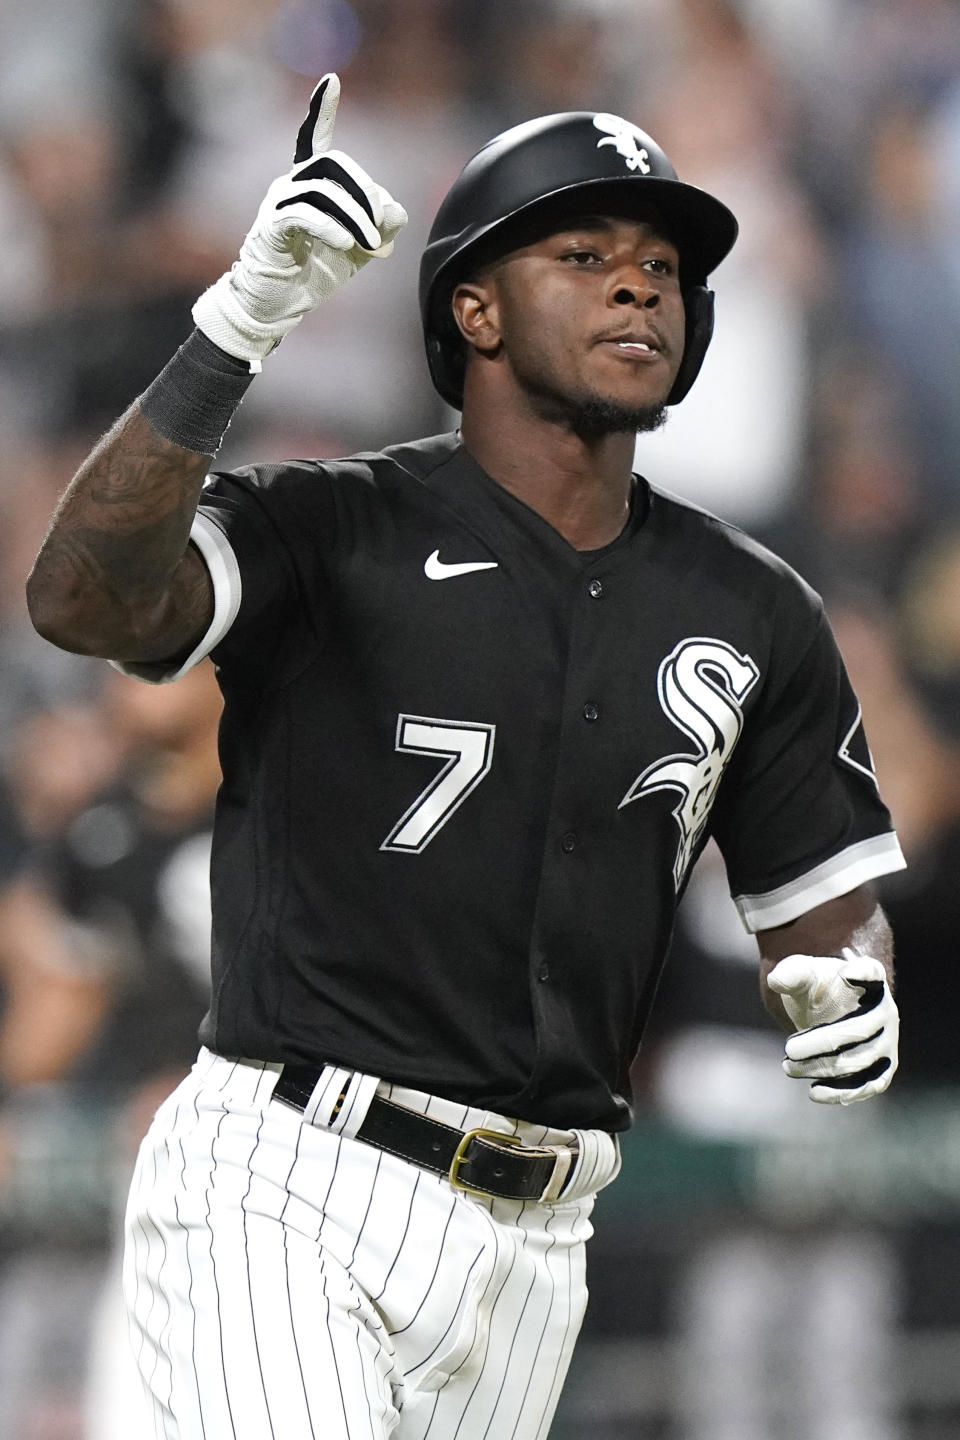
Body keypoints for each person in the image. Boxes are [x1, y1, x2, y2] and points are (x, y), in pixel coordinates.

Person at [26, 75, 906, 1440]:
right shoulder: (334, 527)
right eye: (585, 255)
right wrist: (237, 322)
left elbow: (824, 911)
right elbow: (81, 598)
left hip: (543, 1238)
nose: (638, 290)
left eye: (662, 266)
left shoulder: (751, 606)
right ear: (474, 310)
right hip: (293, 1176)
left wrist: (851, 986)